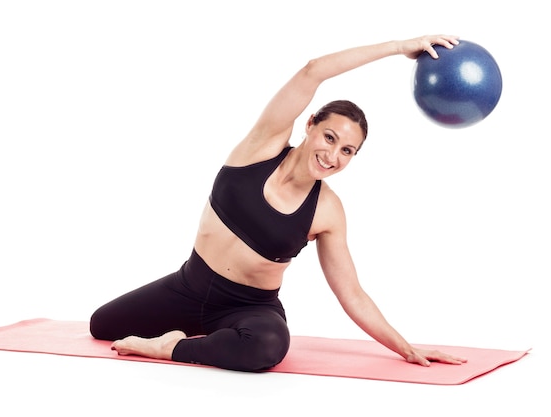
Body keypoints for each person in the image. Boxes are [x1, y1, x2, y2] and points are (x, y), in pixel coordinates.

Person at [90, 34, 468, 372]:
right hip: (186, 287)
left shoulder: (327, 211)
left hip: (248, 307)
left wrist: (405, 348)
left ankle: (170, 347)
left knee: (268, 347)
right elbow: (312, 71)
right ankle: (204, 338)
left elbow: (350, 291)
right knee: (101, 325)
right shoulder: (260, 147)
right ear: (310, 125)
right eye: (330, 137)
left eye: (347, 150)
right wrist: (400, 47)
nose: (333, 155)